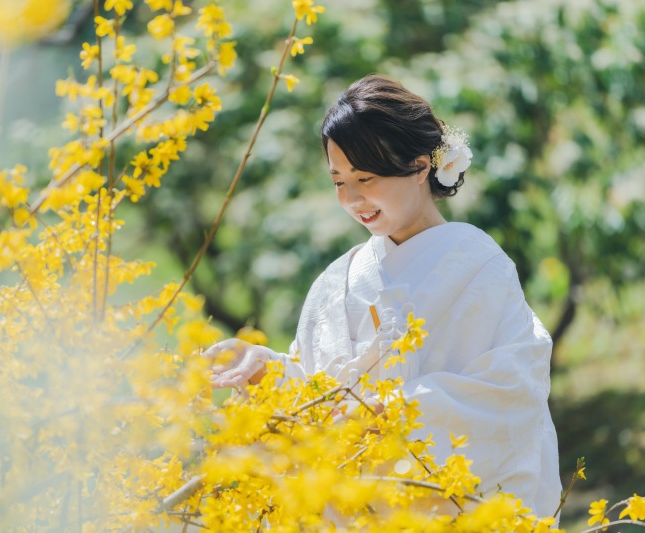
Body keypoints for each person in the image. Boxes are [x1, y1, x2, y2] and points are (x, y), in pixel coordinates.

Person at [205, 74, 562, 518]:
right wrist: (268, 370)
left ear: (420, 167)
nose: (353, 198)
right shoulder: (337, 281)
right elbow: (318, 392)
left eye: (365, 177)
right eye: (338, 182)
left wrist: (397, 413)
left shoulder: (478, 265)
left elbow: (511, 389)